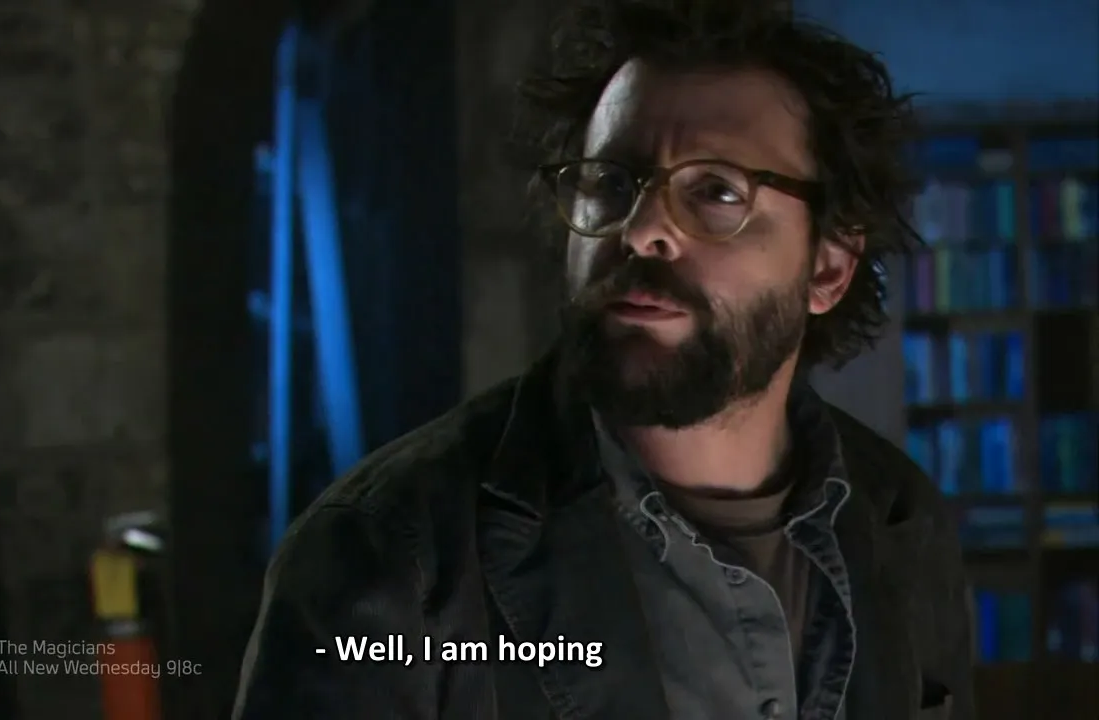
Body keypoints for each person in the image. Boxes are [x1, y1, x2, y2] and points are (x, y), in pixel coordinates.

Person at [233, 0, 975, 718]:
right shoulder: (392, 557)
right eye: (611, 182)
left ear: (828, 269)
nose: (642, 228)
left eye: (717, 192)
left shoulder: (900, 521)